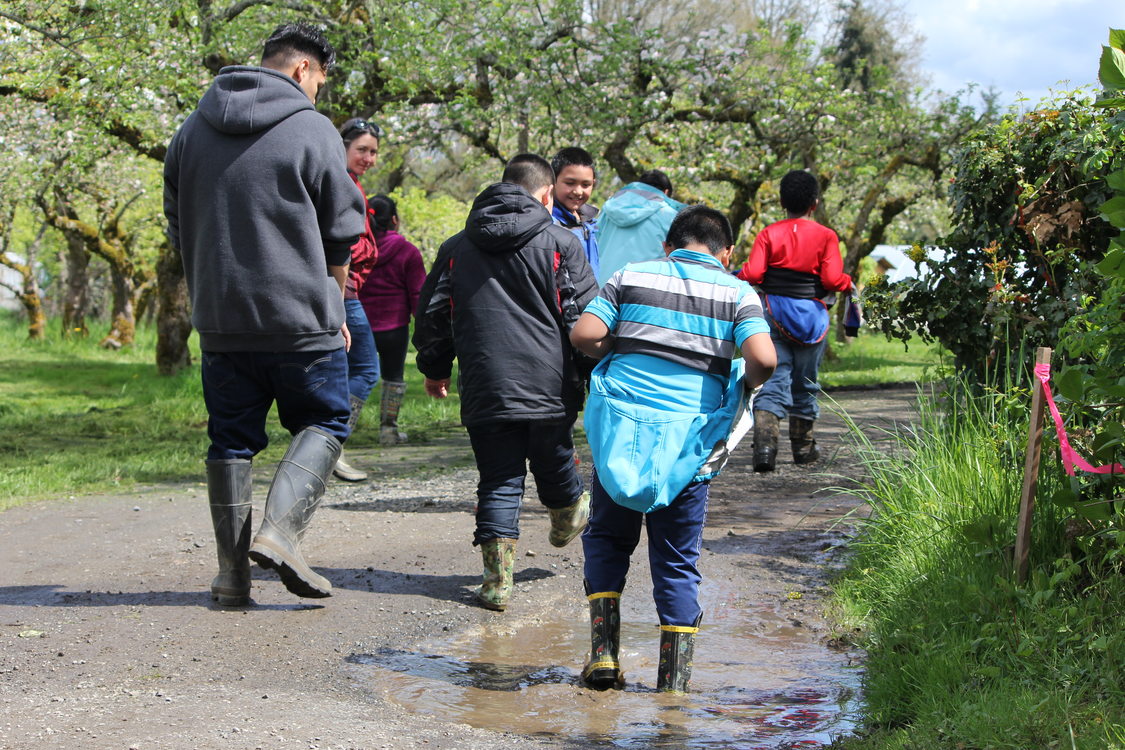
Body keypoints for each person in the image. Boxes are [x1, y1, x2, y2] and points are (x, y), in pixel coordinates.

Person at [163, 22, 366, 604]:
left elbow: (177, 218)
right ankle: (280, 534)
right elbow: (341, 231)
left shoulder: (191, 129)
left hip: (222, 319)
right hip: (300, 317)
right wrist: (336, 305)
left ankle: (231, 577)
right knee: (326, 419)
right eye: (321, 79)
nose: (320, 90)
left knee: (230, 440)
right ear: (303, 69)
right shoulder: (312, 128)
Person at [570, 205, 776, 692]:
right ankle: (674, 685)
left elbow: (584, 334)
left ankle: (602, 656)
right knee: (677, 560)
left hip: (621, 435)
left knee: (606, 539)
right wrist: (743, 384)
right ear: (727, 253)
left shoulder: (631, 274)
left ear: (668, 245)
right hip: (690, 444)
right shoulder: (737, 292)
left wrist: (620, 351)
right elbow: (764, 358)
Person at [413, 153, 598, 612]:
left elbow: (433, 315)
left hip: (485, 384)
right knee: (555, 463)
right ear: (544, 194)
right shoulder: (561, 242)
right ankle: (567, 516)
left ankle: (497, 583)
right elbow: (584, 318)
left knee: (498, 480)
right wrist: (593, 374)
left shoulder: (456, 247)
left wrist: (435, 367)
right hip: (550, 385)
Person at [735, 170, 853, 472]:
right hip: (812, 318)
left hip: (773, 312)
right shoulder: (827, 236)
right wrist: (846, 282)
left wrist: (737, 274)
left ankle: (764, 448)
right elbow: (830, 278)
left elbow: (755, 273)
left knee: (772, 380)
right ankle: (803, 449)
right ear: (814, 203)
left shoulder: (768, 234)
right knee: (806, 382)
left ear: (781, 201)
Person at [332, 117, 384, 482]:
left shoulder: (353, 185)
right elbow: (342, 242)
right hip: (342, 291)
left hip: (347, 290)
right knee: (366, 370)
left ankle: (329, 445)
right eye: (362, 150)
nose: (369, 157)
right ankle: (330, 443)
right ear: (344, 148)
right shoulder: (339, 183)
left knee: (341, 371)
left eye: (374, 152)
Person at [358, 195, 426, 444]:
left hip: (359, 325)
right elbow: (418, 292)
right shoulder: (407, 251)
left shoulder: (358, 248)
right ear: (394, 220)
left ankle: (340, 433)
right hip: (394, 327)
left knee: (354, 377)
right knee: (393, 377)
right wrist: (423, 325)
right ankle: (388, 431)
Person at [594, 169, 685, 286]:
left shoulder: (608, 208)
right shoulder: (669, 215)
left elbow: (594, 244)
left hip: (603, 288)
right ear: (666, 192)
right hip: (643, 292)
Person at [550, 147, 600, 280]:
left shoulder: (590, 223)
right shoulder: (549, 224)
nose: (578, 191)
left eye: (585, 185)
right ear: (553, 181)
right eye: (570, 183)